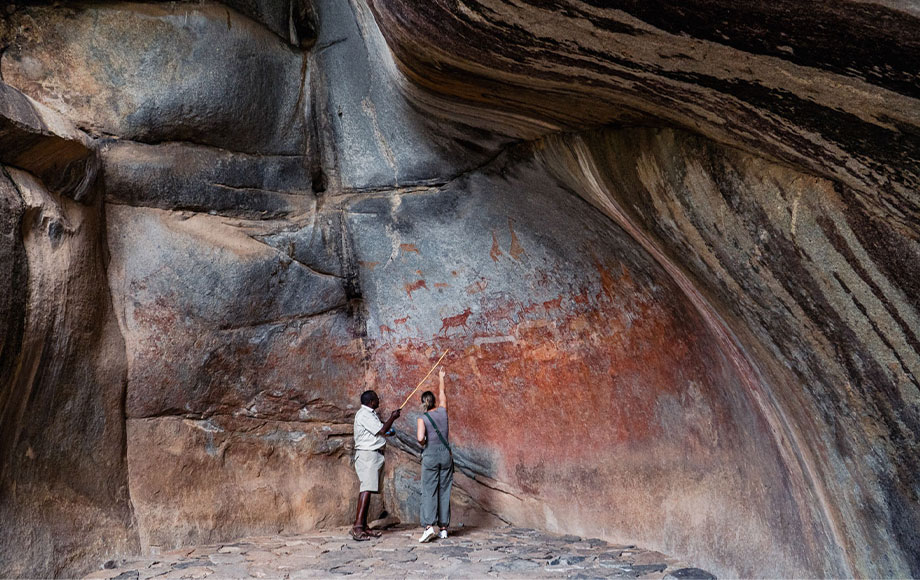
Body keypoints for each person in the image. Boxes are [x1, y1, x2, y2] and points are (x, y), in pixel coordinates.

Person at [351, 389, 400, 541]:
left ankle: (364, 526)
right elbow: (382, 429)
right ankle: (357, 527)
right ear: (371, 402)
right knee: (366, 488)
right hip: (367, 455)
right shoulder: (364, 414)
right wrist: (393, 417)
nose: (379, 400)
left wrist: (388, 429)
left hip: (373, 454)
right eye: (377, 399)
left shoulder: (370, 414)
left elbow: (381, 431)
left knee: (369, 488)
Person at [417, 368, 453, 542]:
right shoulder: (443, 411)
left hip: (430, 456)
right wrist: (441, 377)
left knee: (429, 490)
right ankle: (444, 528)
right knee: (444, 490)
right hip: (446, 455)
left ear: (423, 403)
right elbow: (442, 393)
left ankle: (429, 526)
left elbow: (420, 439)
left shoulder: (422, 418)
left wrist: (424, 440)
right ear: (434, 402)